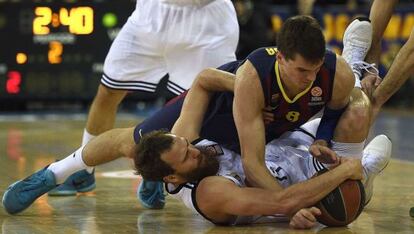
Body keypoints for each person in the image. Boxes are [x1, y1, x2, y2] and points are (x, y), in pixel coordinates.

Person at [49, 0, 240, 196]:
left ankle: (166, 168)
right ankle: (83, 173)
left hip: (205, 22)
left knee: (206, 104)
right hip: (150, 15)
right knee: (109, 91)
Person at [134, 123, 391, 229]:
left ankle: (354, 70)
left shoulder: (193, 151)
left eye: (186, 143)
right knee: (344, 205)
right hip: (300, 184)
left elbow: (203, 81)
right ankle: (361, 179)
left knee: (354, 105)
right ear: (173, 179)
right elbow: (282, 203)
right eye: (186, 156)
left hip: (281, 149)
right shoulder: (208, 193)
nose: (195, 151)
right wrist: (348, 169)